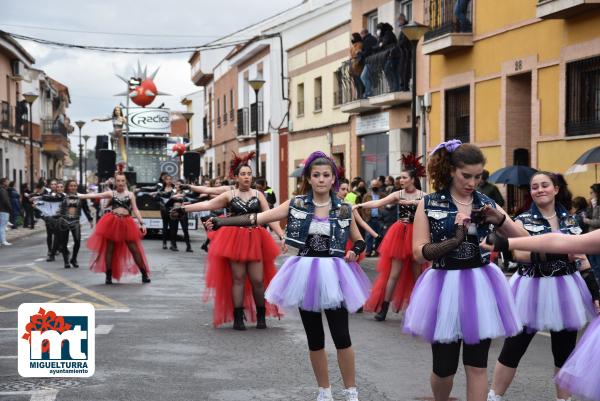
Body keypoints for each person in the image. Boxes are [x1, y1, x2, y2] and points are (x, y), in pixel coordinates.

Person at [206, 151, 371, 401]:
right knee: (314, 337)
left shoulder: (345, 208)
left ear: (334, 178)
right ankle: (324, 391)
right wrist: (221, 222)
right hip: (304, 273)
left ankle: (351, 391)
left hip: (335, 273)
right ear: (308, 178)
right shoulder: (296, 204)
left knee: (342, 336)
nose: (321, 180)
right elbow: (257, 218)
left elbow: (358, 241)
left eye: (326, 175)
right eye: (316, 175)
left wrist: (354, 251)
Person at [404, 140, 526, 401]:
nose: (472, 182)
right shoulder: (429, 203)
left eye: (478, 176)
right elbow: (418, 252)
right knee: (444, 368)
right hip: (442, 286)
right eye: (466, 176)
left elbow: (524, 241)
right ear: (451, 171)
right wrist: (453, 241)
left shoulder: (486, 203)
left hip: (481, 285)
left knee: (477, 365)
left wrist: (501, 220)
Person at [487, 172, 598, 401]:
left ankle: (563, 399)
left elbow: (582, 259)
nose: (540, 190)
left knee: (564, 352)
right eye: (535, 187)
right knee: (513, 348)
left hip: (566, 290)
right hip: (530, 289)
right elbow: (519, 254)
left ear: (556, 189)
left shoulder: (572, 220)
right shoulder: (522, 220)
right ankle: (494, 396)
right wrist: (560, 252)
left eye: (545, 185)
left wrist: (596, 294)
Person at [172, 152, 285, 330]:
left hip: (256, 238)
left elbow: (271, 216)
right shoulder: (229, 195)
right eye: (243, 174)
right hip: (235, 240)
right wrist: (183, 209)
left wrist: (281, 235)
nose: (247, 177)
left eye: (249, 174)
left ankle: (261, 315)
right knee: (238, 278)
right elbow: (207, 205)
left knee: (257, 280)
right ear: (236, 177)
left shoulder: (259, 194)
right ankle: (238, 317)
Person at [357, 154, 427, 321]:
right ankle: (384, 308)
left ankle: (416, 309)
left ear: (412, 179)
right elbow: (378, 203)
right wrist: (359, 205)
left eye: (404, 177)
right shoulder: (398, 194)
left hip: (417, 234)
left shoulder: (424, 195)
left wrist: (414, 204)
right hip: (401, 235)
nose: (401, 180)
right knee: (394, 274)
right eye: (400, 177)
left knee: (418, 274)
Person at [79, 173, 150, 284]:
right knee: (109, 250)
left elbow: (135, 210)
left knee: (134, 250)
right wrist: (78, 195)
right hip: (113, 222)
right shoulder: (111, 193)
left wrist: (142, 223)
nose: (120, 183)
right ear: (115, 182)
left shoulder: (130, 195)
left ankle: (144, 274)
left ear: (125, 182)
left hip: (127, 222)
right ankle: (108, 276)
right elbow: (95, 195)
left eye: (122, 181)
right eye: (118, 181)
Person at [36, 180, 94, 269]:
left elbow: (85, 208)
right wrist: (38, 197)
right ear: (68, 187)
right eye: (71, 186)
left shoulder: (80, 197)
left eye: (75, 186)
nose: (73, 187)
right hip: (64, 221)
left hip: (75, 221)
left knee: (77, 241)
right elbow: (50, 198)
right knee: (64, 242)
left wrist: (90, 219)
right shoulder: (63, 196)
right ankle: (66, 261)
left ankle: (74, 259)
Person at [359, 179, 383, 257]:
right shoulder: (367, 195)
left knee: (379, 235)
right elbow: (362, 207)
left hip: (379, 218)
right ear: (370, 186)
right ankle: (368, 251)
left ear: (379, 186)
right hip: (369, 218)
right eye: (373, 185)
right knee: (369, 235)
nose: (375, 187)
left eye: (376, 185)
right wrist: (365, 217)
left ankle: (377, 251)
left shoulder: (382, 195)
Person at [583, 183, 600, 279]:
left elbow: (598, 222)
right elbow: (589, 215)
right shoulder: (594, 204)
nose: (590, 195)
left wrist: (587, 221)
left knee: (597, 263)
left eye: (592, 193)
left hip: (597, 237)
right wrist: (590, 206)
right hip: (591, 236)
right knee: (592, 263)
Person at [359, 29, 378, 98]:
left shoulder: (367, 40)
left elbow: (367, 52)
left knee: (363, 76)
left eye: (361, 35)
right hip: (375, 60)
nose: (360, 36)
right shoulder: (372, 38)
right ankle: (370, 92)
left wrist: (360, 52)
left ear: (363, 34)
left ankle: (369, 92)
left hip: (370, 61)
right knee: (370, 77)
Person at [0, 178, 12, 246]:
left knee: (1, 226)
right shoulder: (3, 190)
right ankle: (3, 240)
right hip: (4, 210)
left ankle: (1, 240)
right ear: (4, 182)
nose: (8, 183)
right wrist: (10, 208)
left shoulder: (2, 190)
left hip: (2, 210)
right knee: (3, 226)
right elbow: (6, 201)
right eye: (7, 181)